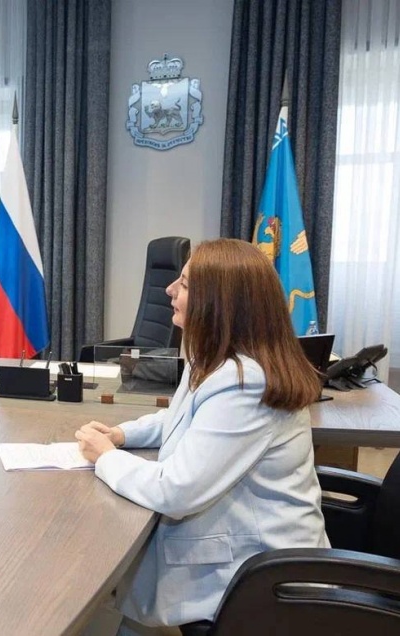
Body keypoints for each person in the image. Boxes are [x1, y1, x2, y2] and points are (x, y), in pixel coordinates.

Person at [75, 238, 328, 632]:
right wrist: (122, 434)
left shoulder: (246, 383)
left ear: (219, 303)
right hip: (246, 554)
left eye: (185, 284)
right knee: (118, 601)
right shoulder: (220, 361)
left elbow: (176, 492)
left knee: (102, 599)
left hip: (257, 579)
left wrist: (106, 456)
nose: (169, 290)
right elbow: (182, 418)